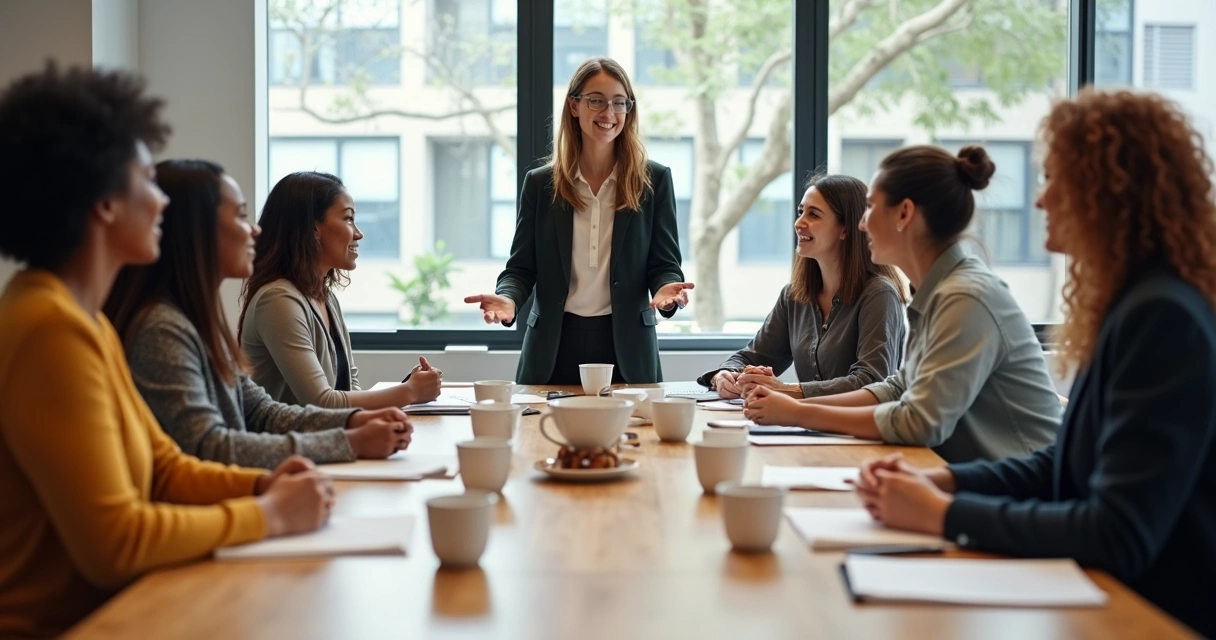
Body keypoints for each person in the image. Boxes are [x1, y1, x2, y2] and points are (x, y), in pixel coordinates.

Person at [853, 89, 1216, 638]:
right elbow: (1061, 466)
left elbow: (1117, 532)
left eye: (1054, 179)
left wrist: (941, 514)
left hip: (1150, 617)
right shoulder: (1131, 303)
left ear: (1109, 190)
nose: (1040, 200)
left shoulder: (1163, 316)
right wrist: (943, 482)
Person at [0, 64, 331, 638]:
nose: (161, 202)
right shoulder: (50, 329)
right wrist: (268, 514)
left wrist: (261, 485)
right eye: (146, 181)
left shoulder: (85, 321)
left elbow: (165, 469)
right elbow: (116, 543)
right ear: (105, 203)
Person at [743, 144, 1060, 463]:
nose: (862, 224)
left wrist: (798, 412)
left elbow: (919, 422)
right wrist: (793, 405)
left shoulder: (965, 297)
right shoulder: (937, 291)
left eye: (870, 207)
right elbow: (897, 389)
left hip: (1024, 483)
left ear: (904, 214)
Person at [104, 160, 414, 469]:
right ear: (198, 231)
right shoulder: (162, 330)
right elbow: (209, 447)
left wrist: (354, 421)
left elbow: (261, 412)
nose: (255, 229)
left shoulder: (198, 322)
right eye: (240, 216)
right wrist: (351, 440)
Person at [464, 57, 693, 385]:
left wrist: (667, 290)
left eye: (619, 102)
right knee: (539, 420)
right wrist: (509, 298)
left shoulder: (654, 181)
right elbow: (521, 268)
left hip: (626, 347)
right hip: (554, 345)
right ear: (574, 106)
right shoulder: (540, 184)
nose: (609, 112)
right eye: (596, 101)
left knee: (636, 422)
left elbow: (664, 264)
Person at [239, 171, 442, 409]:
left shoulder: (326, 298)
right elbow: (320, 402)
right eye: (348, 219)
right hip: (291, 435)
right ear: (313, 228)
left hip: (329, 432)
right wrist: (408, 392)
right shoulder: (277, 299)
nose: (358, 233)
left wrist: (408, 390)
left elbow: (348, 390)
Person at [697, 174, 907, 399]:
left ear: (846, 229)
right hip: (805, 421)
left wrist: (784, 390)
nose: (798, 223)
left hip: (859, 422)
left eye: (813, 214)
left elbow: (872, 382)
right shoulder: (794, 295)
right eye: (800, 212)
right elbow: (752, 356)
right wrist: (724, 375)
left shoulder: (879, 294)